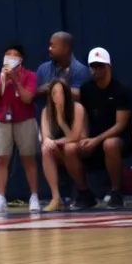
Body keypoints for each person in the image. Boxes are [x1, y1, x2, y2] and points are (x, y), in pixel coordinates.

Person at [77, 48, 132, 209]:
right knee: (71, 148)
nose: (96, 70)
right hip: (94, 137)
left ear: (109, 66)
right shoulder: (86, 89)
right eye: (93, 67)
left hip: (121, 139)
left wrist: (96, 140)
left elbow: (121, 124)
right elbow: (84, 117)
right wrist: (84, 138)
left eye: (100, 66)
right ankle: (84, 194)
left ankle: (116, 192)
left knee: (110, 144)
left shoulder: (122, 90)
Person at [0, 43, 40, 214]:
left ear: (20, 59)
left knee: (28, 158)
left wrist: (16, 81)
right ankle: (0, 198)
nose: (10, 57)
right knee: (1, 159)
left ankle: (34, 196)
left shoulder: (30, 76)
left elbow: (27, 98)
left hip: (24, 120)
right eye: (7, 54)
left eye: (14, 55)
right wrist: (3, 81)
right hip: (3, 121)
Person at [40, 78, 87, 212]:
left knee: (70, 147)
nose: (57, 96)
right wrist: (49, 141)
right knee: (45, 149)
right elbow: (45, 136)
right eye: (54, 93)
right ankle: (56, 198)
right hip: (60, 151)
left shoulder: (77, 108)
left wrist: (61, 120)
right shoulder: (46, 111)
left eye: (61, 92)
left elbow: (74, 137)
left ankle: (83, 189)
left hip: (81, 150)